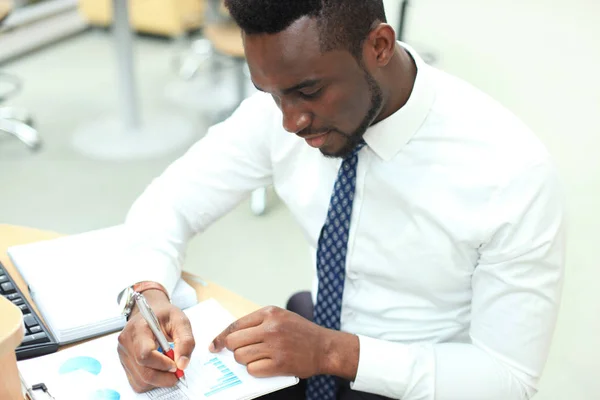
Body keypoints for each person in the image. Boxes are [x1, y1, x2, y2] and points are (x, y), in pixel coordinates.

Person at [116, 0, 565, 399]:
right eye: (271, 94)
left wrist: (332, 352)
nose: (291, 121)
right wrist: (148, 295)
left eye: (309, 91)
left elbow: (507, 379)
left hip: (427, 378)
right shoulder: (286, 105)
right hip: (313, 344)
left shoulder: (509, 173)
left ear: (379, 46)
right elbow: (167, 203)